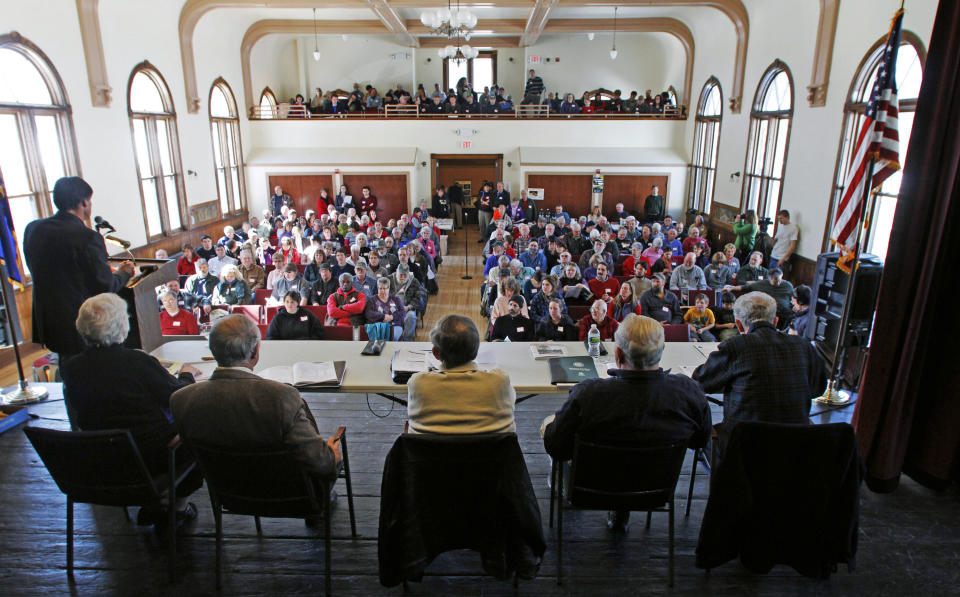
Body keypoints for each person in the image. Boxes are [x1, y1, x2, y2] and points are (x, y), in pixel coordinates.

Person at [541, 314, 711, 532]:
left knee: (550, 424)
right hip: (655, 488)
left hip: (589, 489)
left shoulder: (588, 394)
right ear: (660, 352)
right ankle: (621, 511)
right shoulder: (688, 393)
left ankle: (562, 484)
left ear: (618, 353)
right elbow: (699, 441)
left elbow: (555, 446)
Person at [62, 293, 202, 524]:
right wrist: (186, 375)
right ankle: (178, 508)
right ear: (122, 326)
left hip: (101, 460)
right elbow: (178, 396)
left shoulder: (70, 368)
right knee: (195, 429)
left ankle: (153, 504)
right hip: (152, 458)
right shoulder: (137, 362)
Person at [171, 315, 341, 481]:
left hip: (227, 493)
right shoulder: (283, 397)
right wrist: (332, 455)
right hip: (287, 494)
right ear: (255, 352)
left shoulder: (181, 400)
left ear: (213, 351)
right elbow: (322, 464)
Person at [692, 292, 828, 453]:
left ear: (739, 325)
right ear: (776, 321)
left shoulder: (736, 346)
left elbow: (700, 381)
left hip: (744, 449)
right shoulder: (803, 346)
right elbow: (817, 388)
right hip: (795, 447)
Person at [23, 176, 135, 361]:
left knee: (68, 370)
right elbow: (105, 286)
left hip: (49, 321)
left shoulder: (33, 229)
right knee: (90, 375)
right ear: (84, 202)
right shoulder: (87, 237)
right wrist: (125, 273)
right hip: (81, 323)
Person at [407, 315, 516, 434]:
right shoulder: (500, 381)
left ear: (436, 353)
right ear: (476, 350)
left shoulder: (418, 383)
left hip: (429, 452)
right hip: (492, 452)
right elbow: (511, 403)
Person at [391, 264, 424, 341]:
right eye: (400, 275)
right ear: (396, 272)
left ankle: (407, 339)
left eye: (405, 275)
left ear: (408, 274)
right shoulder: (389, 280)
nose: (402, 277)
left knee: (411, 316)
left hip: (407, 308)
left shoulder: (414, 282)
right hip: (391, 307)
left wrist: (408, 307)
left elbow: (417, 298)